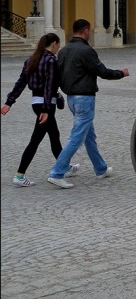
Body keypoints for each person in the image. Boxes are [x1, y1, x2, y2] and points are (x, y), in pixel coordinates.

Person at [47, 19, 129, 189]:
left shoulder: (63, 51)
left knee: (88, 136)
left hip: (71, 98)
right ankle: (57, 172)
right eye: (89, 31)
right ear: (85, 30)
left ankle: (101, 168)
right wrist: (121, 73)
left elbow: (57, 76)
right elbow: (102, 71)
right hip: (84, 98)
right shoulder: (86, 50)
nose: (89, 34)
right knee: (76, 137)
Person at [1, 33, 78, 186]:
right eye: (58, 45)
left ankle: (65, 167)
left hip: (37, 103)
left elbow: (20, 83)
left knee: (54, 135)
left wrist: (9, 102)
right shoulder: (50, 61)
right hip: (46, 105)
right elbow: (50, 86)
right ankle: (20, 175)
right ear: (54, 44)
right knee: (36, 140)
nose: (59, 48)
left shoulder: (31, 60)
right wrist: (46, 109)